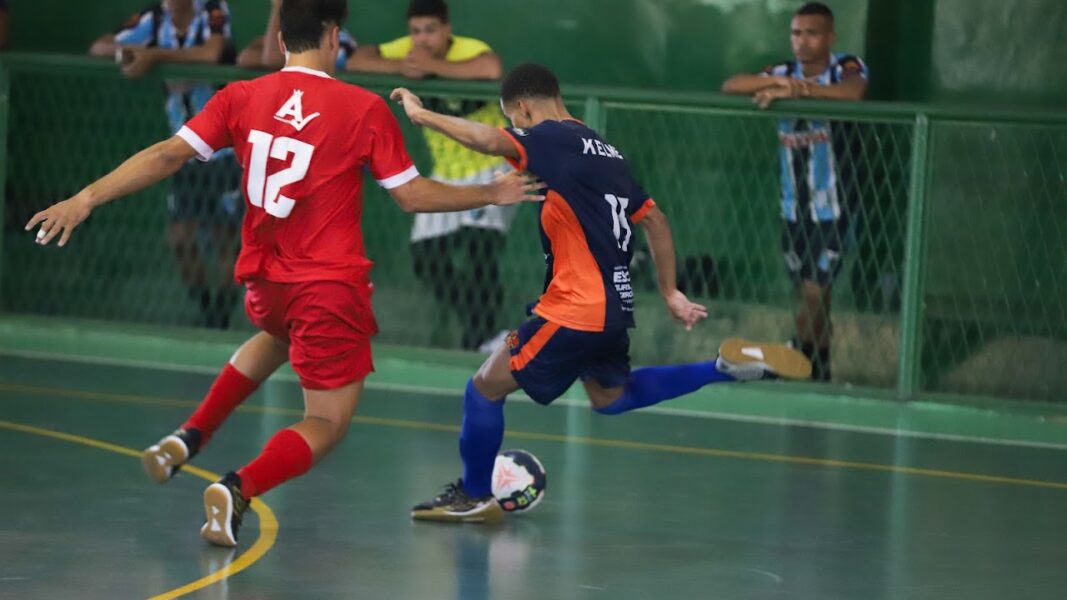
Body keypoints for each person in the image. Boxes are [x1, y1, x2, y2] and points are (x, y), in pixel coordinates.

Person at [27, 0, 541, 547]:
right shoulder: (362, 107)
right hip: (326, 288)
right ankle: (238, 487)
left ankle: (191, 433)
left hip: (266, 283)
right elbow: (411, 197)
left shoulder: (241, 95)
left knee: (275, 335)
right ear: (332, 34)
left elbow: (165, 155)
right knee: (326, 422)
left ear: (281, 39)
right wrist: (491, 190)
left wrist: (84, 198)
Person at [390, 63, 813, 523]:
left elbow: (488, 140)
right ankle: (723, 368)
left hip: (575, 309)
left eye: (515, 121)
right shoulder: (609, 153)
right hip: (616, 307)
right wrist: (670, 291)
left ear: (524, 108)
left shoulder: (548, 138)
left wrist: (422, 114)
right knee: (610, 397)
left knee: (483, 390)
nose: (515, 131)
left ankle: (472, 496)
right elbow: (655, 220)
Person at [348, 0, 515, 352]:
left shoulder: (470, 49)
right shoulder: (409, 51)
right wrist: (405, 66)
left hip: (492, 166)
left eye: (430, 30)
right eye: (416, 31)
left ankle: (483, 335)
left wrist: (432, 67)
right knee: (426, 259)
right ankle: (483, 329)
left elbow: (491, 67)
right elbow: (356, 60)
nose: (422, 39)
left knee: (479, 248)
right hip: (446, 174)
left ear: (447, 29)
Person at [721, 2, 868, 381]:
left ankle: (793, 356)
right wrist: (781, 85)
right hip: (793, 207)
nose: (802, 41)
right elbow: (733, 84)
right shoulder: (782, 71)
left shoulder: (845, 66)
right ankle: (818, 368)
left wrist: (803, 93)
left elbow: (853, 93)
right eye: (796, 33)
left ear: (830, 37)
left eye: (812, 33)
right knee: (808, 292)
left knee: (816, 291)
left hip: (836, 205)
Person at [89, 0, 245, 328]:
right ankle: (204, 306)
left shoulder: (213, 11)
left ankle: (222, 315)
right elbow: (100, 47)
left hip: (225, 153)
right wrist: (132, 56)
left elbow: (212, 53)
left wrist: (157, 56)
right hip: (183, 152)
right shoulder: (154, 17)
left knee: (225, 239)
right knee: (180, 238)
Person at [237, 0, 357, 70]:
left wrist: (279, 6)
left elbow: (272, 60)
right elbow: (245, 57)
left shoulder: (343, 41)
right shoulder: (292, 36)